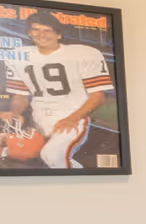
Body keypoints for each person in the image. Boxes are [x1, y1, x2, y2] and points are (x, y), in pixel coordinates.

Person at [5, 10, 114, 169]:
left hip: (72, 117)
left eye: (47, 30)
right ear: (29, 32)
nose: (41, 34)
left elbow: (98, 96)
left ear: (58, 34)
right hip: (38, 119)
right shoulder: (19, 55)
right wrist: (15, 115)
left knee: (52, 155)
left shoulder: (83, 53)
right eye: (36, 29)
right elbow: (20, 96)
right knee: (28, 158)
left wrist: (72, 118)